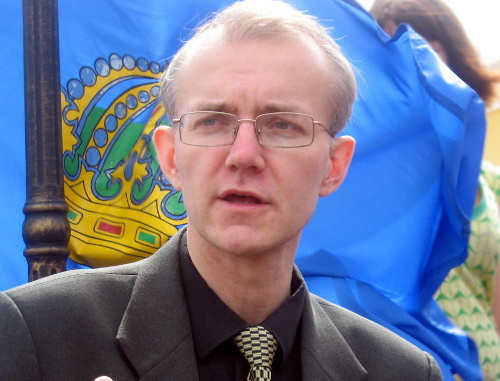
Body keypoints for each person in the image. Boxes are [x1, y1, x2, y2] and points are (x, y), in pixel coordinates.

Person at [0, 1, 442, 379]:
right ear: (170, 157)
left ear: (334, 165)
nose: (243, 154)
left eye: (282, 125)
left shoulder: (401, 370)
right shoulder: (35, 335)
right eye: (212, 122)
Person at [371, 0, 500, 379]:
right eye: (396, 47)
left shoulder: (492, 182)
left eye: (427, 43)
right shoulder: (364, 177)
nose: (415, 58)